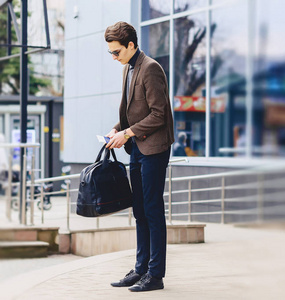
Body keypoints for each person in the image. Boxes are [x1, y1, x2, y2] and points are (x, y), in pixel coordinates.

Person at [104, 21, 174, 292]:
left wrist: (128, 133)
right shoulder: (128, 68)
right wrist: (117, 128)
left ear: (131, 45)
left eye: (117, 51)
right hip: (137, 147)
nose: (114, 57)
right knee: (140, 211)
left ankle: (155, 275)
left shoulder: (151, 68)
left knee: (153, 210)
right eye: (110, 52)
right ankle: (141, 269)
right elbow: (134, 109)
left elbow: (159, 114)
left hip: (154, 149)